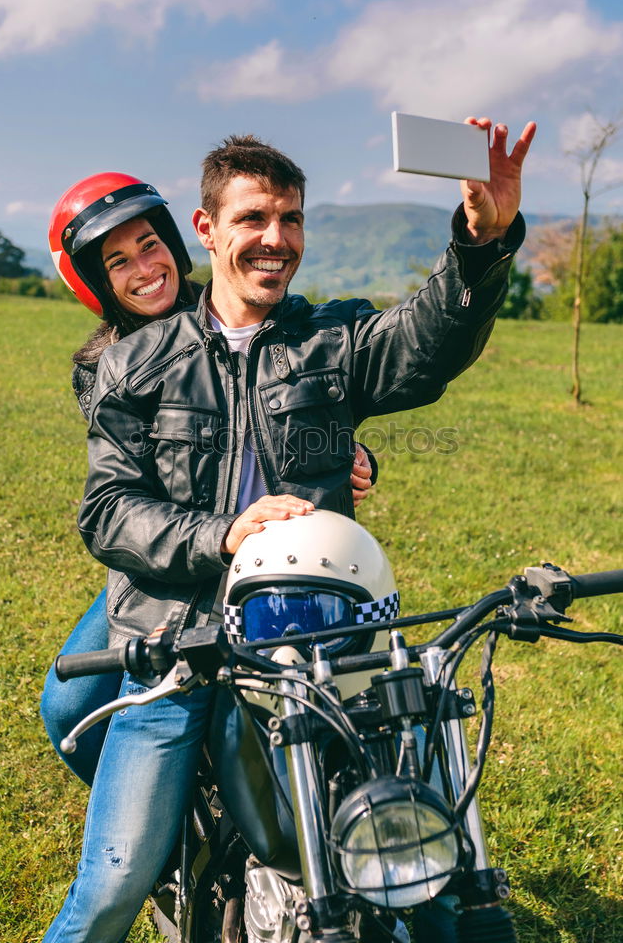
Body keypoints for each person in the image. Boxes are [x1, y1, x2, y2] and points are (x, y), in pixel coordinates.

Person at [43, 119, 535, 941]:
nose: (276, 239)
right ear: (207, 230)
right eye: (253, 220)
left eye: (291, 219)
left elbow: (426, 344)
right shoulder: (134, 363)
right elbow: (108, 511)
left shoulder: (328, 341)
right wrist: (224, 532)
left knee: (420, 860)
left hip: (309, 639)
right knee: (113, 886)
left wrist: (481, 245)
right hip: (176, 642)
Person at [41, 173, 375, 787]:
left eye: (151, 245)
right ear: (94, 281)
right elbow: (137, 494)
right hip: (167, 553)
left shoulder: (226, 310)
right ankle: (168, 804)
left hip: (259, 542)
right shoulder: (103, 369)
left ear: (179, 239)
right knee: (64, 706)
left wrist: (347, 452)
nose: (145, 269)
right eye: (118, 262)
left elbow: (278, 408)